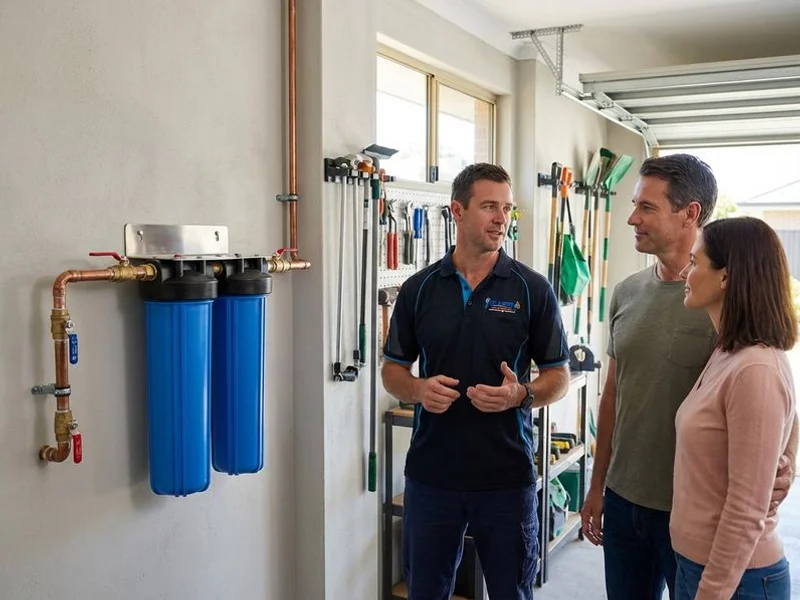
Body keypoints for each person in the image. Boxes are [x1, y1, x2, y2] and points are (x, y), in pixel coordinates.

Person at [580, 153, 798, 600]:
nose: (632, 218)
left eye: (646, 206)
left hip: (693, 513)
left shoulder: (726, 316)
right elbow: (614, 395)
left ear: (689, 214)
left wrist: (785, 462)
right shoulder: (628, 293)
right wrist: (597, 484)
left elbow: (770, 398)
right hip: (626, 500)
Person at [381, 162, 571, 600]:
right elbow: (393, 369)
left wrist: (520, 395)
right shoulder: (419, 289)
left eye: (507, 209)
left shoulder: (532, 289)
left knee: (511, 592)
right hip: (433, 477)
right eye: (489, 206)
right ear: (457, 211)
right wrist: (417, 390)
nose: (501, 218)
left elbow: (559, 376)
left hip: (506, 476)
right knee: (426, 591)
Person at [671, 216, 796, 599]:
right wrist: (785, 461)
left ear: (726, 277)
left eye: (694, 262)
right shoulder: (729, 352)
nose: (683, 273)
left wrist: (712, 592)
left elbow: (745, 510)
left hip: (736, 580)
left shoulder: (755, 367)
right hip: (700, 565)